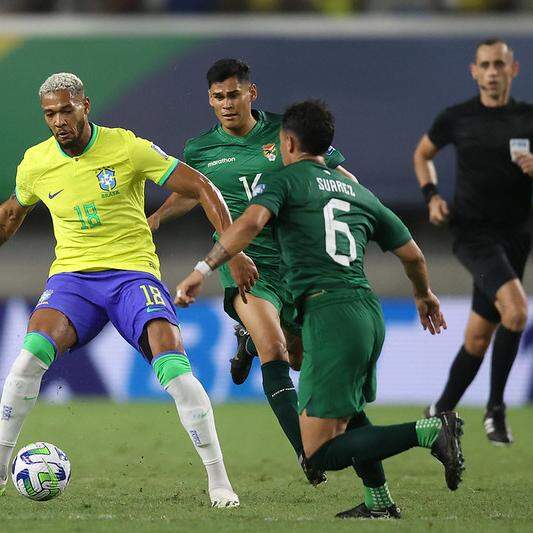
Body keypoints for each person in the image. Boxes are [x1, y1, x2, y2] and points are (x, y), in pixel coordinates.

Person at [175, 100, 465, 519]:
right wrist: (423, 295)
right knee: (347, 409)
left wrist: (203, 268)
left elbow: (250, 223)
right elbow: (414, 255)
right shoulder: (358, 191)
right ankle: (379, 502)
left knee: (319, 452)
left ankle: (430, 431)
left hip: (327, 315)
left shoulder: (287, 181)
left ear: (288, 142)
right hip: (367, 312)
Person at [0, 72, 259, 506]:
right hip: (72, 281)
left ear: (85, 105)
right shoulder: (36, 162)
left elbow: (201, 186)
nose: (59, 120)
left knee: (176, 372)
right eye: (50, 114)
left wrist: (231, 249)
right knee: (28, 359)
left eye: (66, 110)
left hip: (132, 276)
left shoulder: (127, 147)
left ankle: (219, 481)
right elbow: (11, 215)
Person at [148, 58, 356, 484]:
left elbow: (334, 173)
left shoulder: (286, 134)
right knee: (275, 351)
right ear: (210, 99)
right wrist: (149, 224)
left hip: (298, 260)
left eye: (234, 94)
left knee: (299, 358)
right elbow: (189, 195)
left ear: (251, 93)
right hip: (241, 263)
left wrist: (364, 206)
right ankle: (307, 455)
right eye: (218, 97)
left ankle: (244, 341)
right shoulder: (199, 150)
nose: (227, 103)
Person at [413, 38, 533, 445]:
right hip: (472, 234)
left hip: (517, 237)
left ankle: (439, 409)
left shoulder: (529, 119)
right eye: (486, 64)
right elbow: (422, 154)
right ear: (474, 71)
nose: (493, 71)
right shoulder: (457, 117)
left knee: (479, 337)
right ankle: (495, 411)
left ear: (513, 69)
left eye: (500, 64)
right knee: (516, 312)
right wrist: (431, 198)